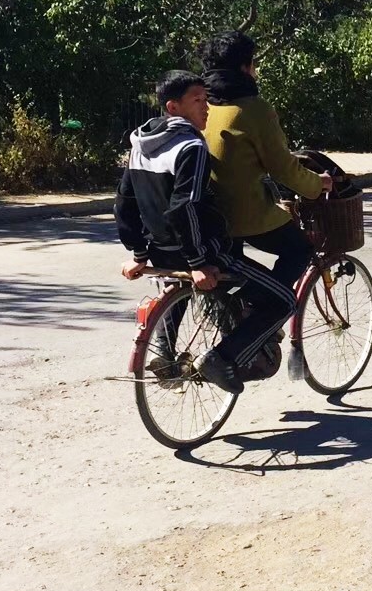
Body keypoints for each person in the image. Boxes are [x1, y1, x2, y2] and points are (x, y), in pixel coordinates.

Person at [114, 70, 302, 395]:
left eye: (206, 99)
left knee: (195, 288)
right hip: (201, 253)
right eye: (197, 101)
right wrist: (199, 261)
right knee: (284, 300)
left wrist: (138, 254)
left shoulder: (140, 144)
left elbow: (124, 203)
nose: (207, 108)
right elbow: (185, 207)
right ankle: (222, 357)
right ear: (173, 108)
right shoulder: (191, 147)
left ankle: (164, 349)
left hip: (160, 251)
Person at [200, 31, 334, 294]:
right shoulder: (254, 110)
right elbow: (283, 168)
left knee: (232, 270)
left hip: (205, 212)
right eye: (254, 65)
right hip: (240, 214)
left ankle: (235, 315)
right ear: (244, 67)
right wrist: (317, 184)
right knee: (300, 249)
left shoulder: (199, 104)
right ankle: (263, 309)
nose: (256, 72)